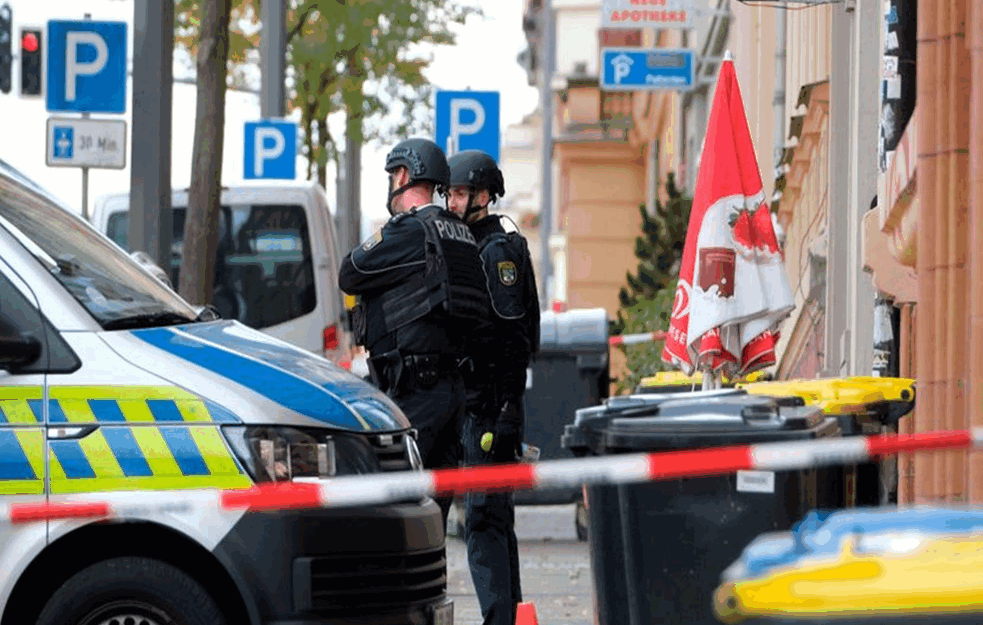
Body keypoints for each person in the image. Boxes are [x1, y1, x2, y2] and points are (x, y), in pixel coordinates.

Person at [338, 138, 489, 526]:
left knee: (399, 513)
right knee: (432, 516)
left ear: (403, 175)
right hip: (452, 391)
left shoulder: (408, 231)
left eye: (393, 175)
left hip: (414, 391)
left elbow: (350, 272)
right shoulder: (460, 233)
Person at [446, 149, 540, 625]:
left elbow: (512, 336)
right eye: (450, 192)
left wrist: (505, 408)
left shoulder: (495, 249)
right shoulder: (476, 241)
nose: (453, 201)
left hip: (490, 405)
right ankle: (511, 616)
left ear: (484, 195)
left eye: (461, 193)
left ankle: (499, 619)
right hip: (486, 403)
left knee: (482, 519)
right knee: (494, 517)